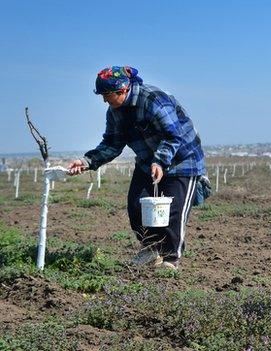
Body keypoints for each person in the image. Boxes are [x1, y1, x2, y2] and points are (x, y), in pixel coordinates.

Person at [67, 66, 206, 270]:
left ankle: (170, 259)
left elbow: (173, 135)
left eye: (107, 95)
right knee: (136, 206)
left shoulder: (153, 99)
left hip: (182, 160)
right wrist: (87, 161)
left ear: (122, 90)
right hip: (147, 163)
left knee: (173, 212)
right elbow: (112, 143)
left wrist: (160, 160)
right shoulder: (115, 112)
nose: (105, 100)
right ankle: (151, 250)